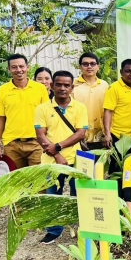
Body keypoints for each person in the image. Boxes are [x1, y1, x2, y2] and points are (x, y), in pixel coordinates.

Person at [34, 70, 89, 244]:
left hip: (76, 159)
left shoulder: (80, 108)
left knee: (80, 194)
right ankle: (54, 230)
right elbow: (40, 135)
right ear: (51, 86)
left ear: (72, 88)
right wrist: (57, 155)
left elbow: (81, 133)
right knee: (53, 196)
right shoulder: (42, 108)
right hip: (51, 161)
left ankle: (83, 228)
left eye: (67, 85)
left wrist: (58, 146)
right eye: (59, 84)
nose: (63, 88)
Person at [0, 54, 50, 168]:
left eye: (21, 66)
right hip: (12, 144)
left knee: (39, 181)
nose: (18, 70)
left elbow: (47, 115)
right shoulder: (2, 90)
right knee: (16, 181)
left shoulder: (40, 88)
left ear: (27, 67)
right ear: (9, 69)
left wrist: (47, 140)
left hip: (36, 143)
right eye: (14, 67)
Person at [103, 59, 131, 148]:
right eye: (128, 71)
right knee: (118, 162)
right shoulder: (113, 88)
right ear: (121, 72)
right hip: (118, 136)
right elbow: (108, 112)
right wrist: (107, 134)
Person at [73, 52, 109, 150]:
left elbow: (108, 110)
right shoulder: (73, 85)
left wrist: (107, 133)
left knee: (100, 165)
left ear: (98, 67)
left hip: (101, 136)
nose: (89, 67)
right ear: (80, 67)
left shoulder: (104, 85)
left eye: (92, 64)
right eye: (85, 64)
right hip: (79, 136)